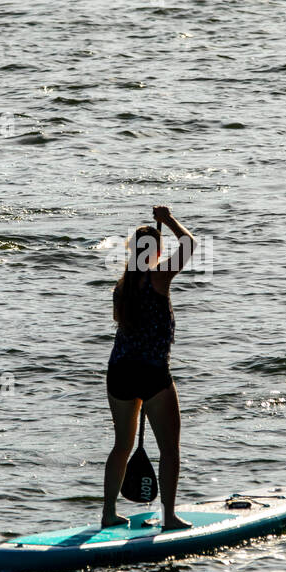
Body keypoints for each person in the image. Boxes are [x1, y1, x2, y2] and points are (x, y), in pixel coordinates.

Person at [102, 206, 196, 530]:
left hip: (119, 372)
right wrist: (169, 220)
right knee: (170, 448)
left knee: (121, 445)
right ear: (155, 252)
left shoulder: (122, 286)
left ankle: (108, 513)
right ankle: (169, 517)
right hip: (152, 373)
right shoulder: (159, 277)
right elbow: (189, 244)